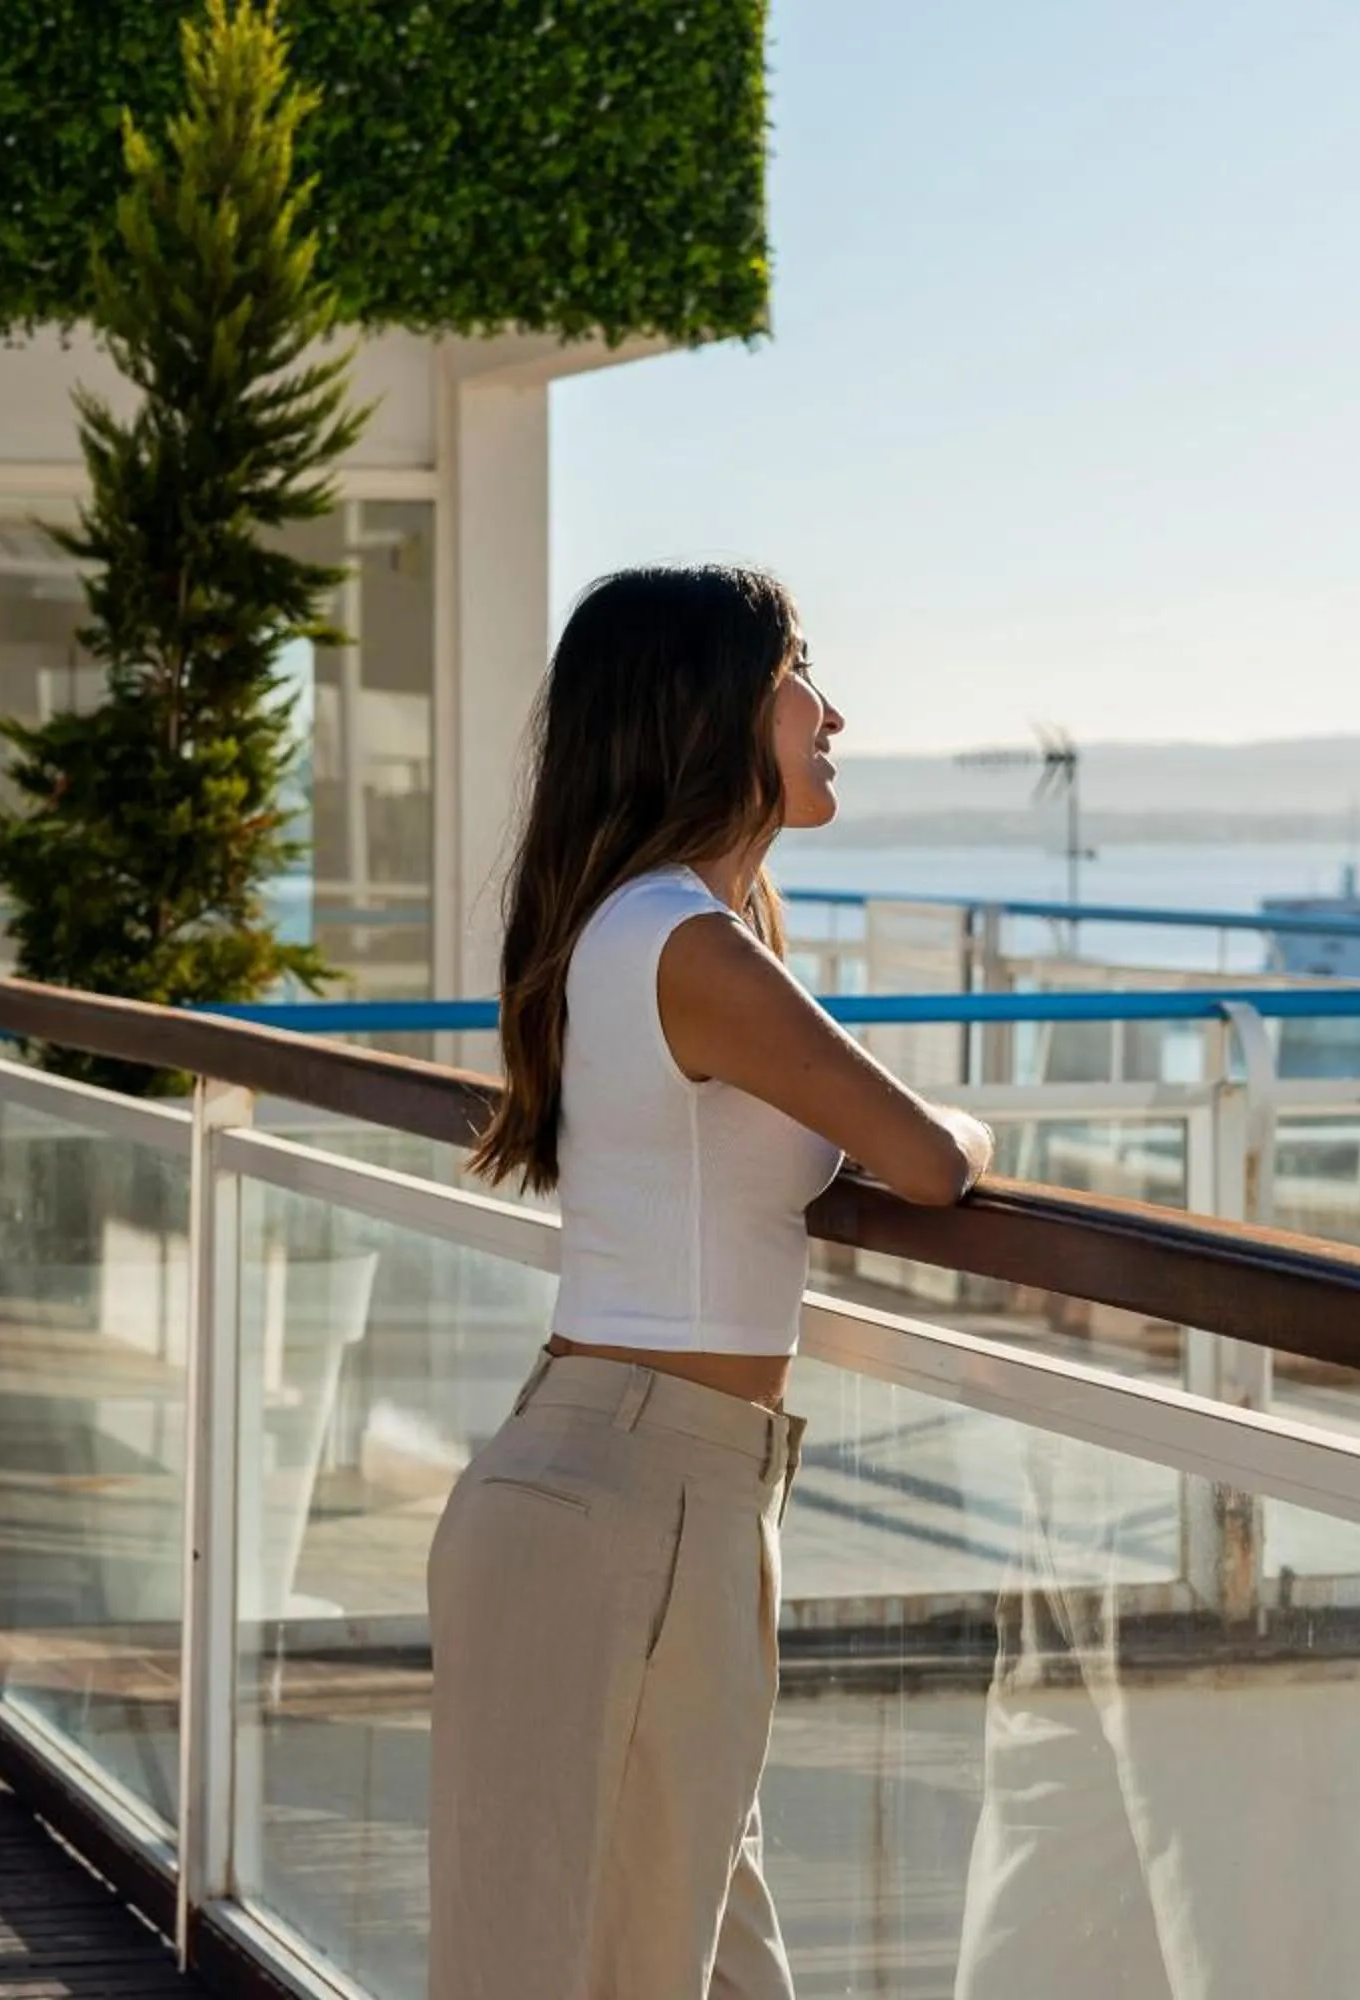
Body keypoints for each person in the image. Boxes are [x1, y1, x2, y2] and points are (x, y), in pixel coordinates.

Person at [429, 564, 995, 2000]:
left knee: (717, 1971)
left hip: (654, 1485)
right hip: (639, 1503)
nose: (832, 711)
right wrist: (976, 1130)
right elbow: (927, 1159)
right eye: (799, 668)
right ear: (712, 704)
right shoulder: (684, 944)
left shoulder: (657, 927)